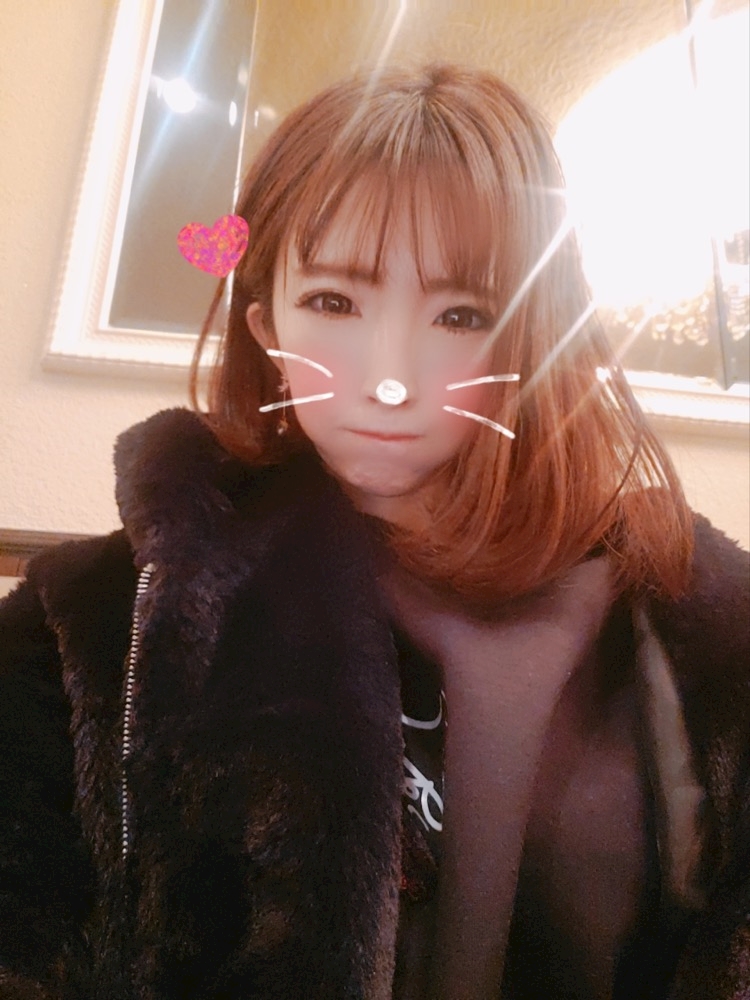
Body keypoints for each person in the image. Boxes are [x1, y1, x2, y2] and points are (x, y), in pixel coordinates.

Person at [0, 64, 748, 1000]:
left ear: (532, 337)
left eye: (461, 314)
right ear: (267, 326)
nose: (390, 376)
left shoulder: (704, 629)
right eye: (334, 303)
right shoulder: (87, 626)